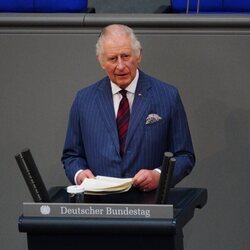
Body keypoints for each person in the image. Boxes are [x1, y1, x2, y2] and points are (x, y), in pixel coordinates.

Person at [62, 24, 195, 192]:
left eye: (125, 56)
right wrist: (79, 174)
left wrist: (159, 175)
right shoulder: (84, 100)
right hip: (99, 206)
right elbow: (71, 156)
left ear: (138, 55)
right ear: (101, 61)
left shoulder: (168, 96)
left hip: (149, 205)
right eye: (112, 59)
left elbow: (184, 156)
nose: (120, 66)